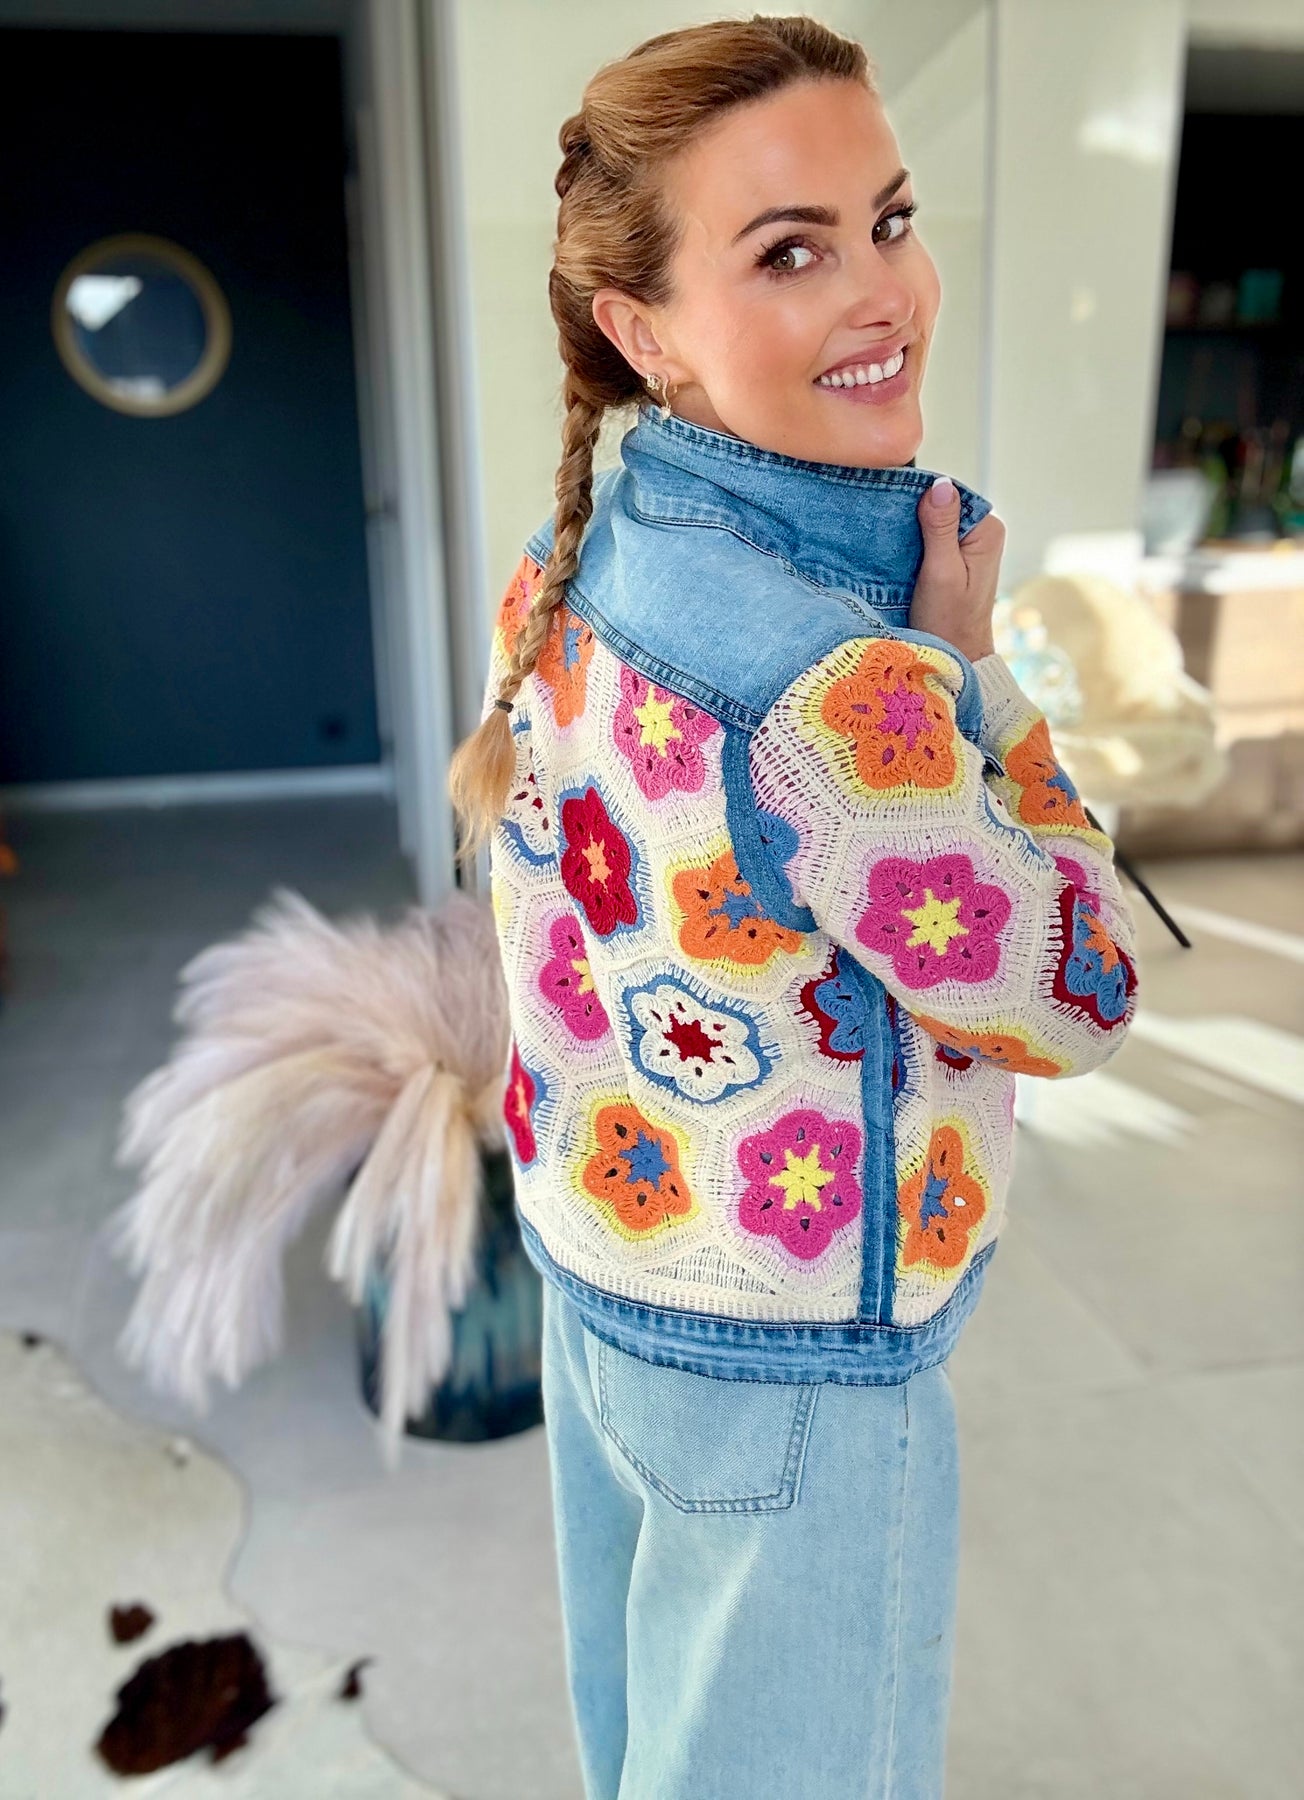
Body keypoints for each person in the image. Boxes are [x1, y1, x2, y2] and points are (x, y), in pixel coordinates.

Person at [447, 16, 1140, 1798]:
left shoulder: (571, 555)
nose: (882, 291)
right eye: (788, 251)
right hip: (793, 1370)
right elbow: (1079, 991)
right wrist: (975, 681)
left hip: (606, 1284)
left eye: (887, 219)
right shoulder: (845, 690)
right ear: (643, 330)